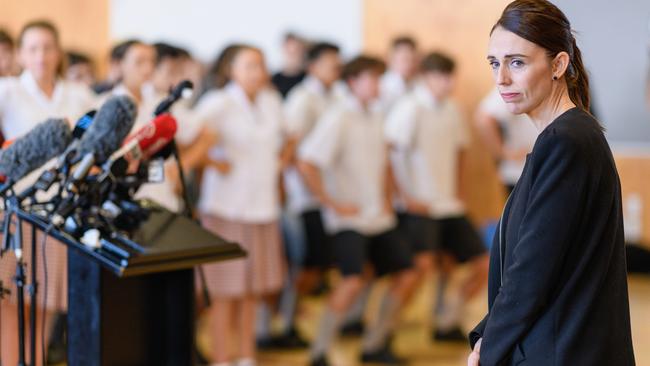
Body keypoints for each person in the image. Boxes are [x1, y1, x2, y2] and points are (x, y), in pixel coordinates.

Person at [468, 1, 635, 365]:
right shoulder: (561, 137)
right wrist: (487, 333)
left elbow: (533, 270)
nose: (501, 79)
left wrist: (490, 348)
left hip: (563, 349)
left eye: (517, 62)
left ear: (558, 64)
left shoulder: (567, 140)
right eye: (495, 63)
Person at [299, 55, 417, 366]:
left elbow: (385, 162)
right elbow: (307, 162)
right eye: (372, 78)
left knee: (407, 274)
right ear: (353, 83)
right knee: (351, 280)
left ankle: (374, 343)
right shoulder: (338, 117)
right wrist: (332, 203)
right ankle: (319, 352)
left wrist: (390, 197)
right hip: (348, 219)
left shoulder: (377, 114)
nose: (378, 84)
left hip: (379, 216)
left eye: (380, 77)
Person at [0, 20, 96, 365]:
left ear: (58, 52)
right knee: (11, 303)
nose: (41, 55)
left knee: (46, 304)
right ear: (22, 55)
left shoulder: (79, 94)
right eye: (33, 48)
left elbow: (94, 144)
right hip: (15, 208)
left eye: (47, 47)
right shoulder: (7, 90)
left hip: (60, 210)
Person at [189, 45, 287, 366]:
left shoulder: (272, 102)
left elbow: (290, 139)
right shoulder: (219, 102)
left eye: (261, 65)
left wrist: (279, 165)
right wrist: (214, 164)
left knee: (252, 290)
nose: (257, 72)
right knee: (224, 291)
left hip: (263, 208)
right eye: (249, 66)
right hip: (226, 209)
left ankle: (246, 356)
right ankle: (221, 357)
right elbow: (188, 137)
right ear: (232, 70)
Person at [385, 51, 489, 342]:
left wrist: (460, 191)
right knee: (420, 269)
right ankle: (381, 335)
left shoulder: (453, 109)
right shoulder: (410, 108)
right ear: (426, 77)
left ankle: (446, 320)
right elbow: (390, 152)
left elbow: (460, 151)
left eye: (450, 76)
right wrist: (404, 197)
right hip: (419, 206)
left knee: (484, 264)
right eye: (442, 77)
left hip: (449, 205)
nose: (448, 83)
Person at [269, 41, 343, 347]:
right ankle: (282, 323)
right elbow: (291, 149)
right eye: (331, 64)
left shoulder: (337, 96)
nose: (337, 70)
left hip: (325, 193)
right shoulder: (302, 99)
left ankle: (287, 320)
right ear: (312, 66)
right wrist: (287, 189)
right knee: (304, 264)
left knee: (316, 265)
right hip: (303, 196)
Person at [475, 87, 538, 193]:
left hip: (540, 172)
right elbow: (483, 119)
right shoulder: (515, 86)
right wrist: (503, 153)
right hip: (520, 174)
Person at [271, 32, 307, 98]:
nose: (293, 55)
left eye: (297, 50)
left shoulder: (309, 79)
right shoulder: (272, 80)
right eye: (289, 51)